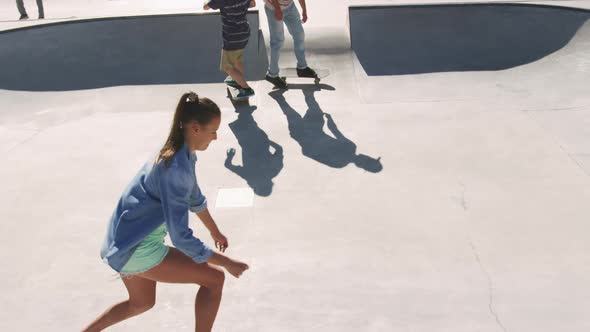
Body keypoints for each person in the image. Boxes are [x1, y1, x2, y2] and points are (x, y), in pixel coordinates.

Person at [83, 92, 249, 332]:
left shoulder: (178, 153)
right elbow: (180, 237)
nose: (215, 137)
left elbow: (195, 199)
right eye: (212, 130)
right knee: (215, 279)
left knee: (141, 303)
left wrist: (216, 232)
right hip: (136, 247)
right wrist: (227, 262)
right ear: (195, 128)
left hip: (121, 242)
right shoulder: (175, 169)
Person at [204, 0, 257, 99]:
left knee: (226, 66)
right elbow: (253, 4)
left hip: (232, 37)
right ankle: (235, 80)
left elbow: (205, 7)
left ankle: (246, 89)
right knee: (237, 58)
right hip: (244, 32)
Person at [264, 0, 317, 88]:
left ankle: (302, 68)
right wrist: (277, 10)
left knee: (299, 34)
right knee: (277, 41)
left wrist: (304, 10)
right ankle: (272, 75)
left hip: (290, 7)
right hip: (273, 8)